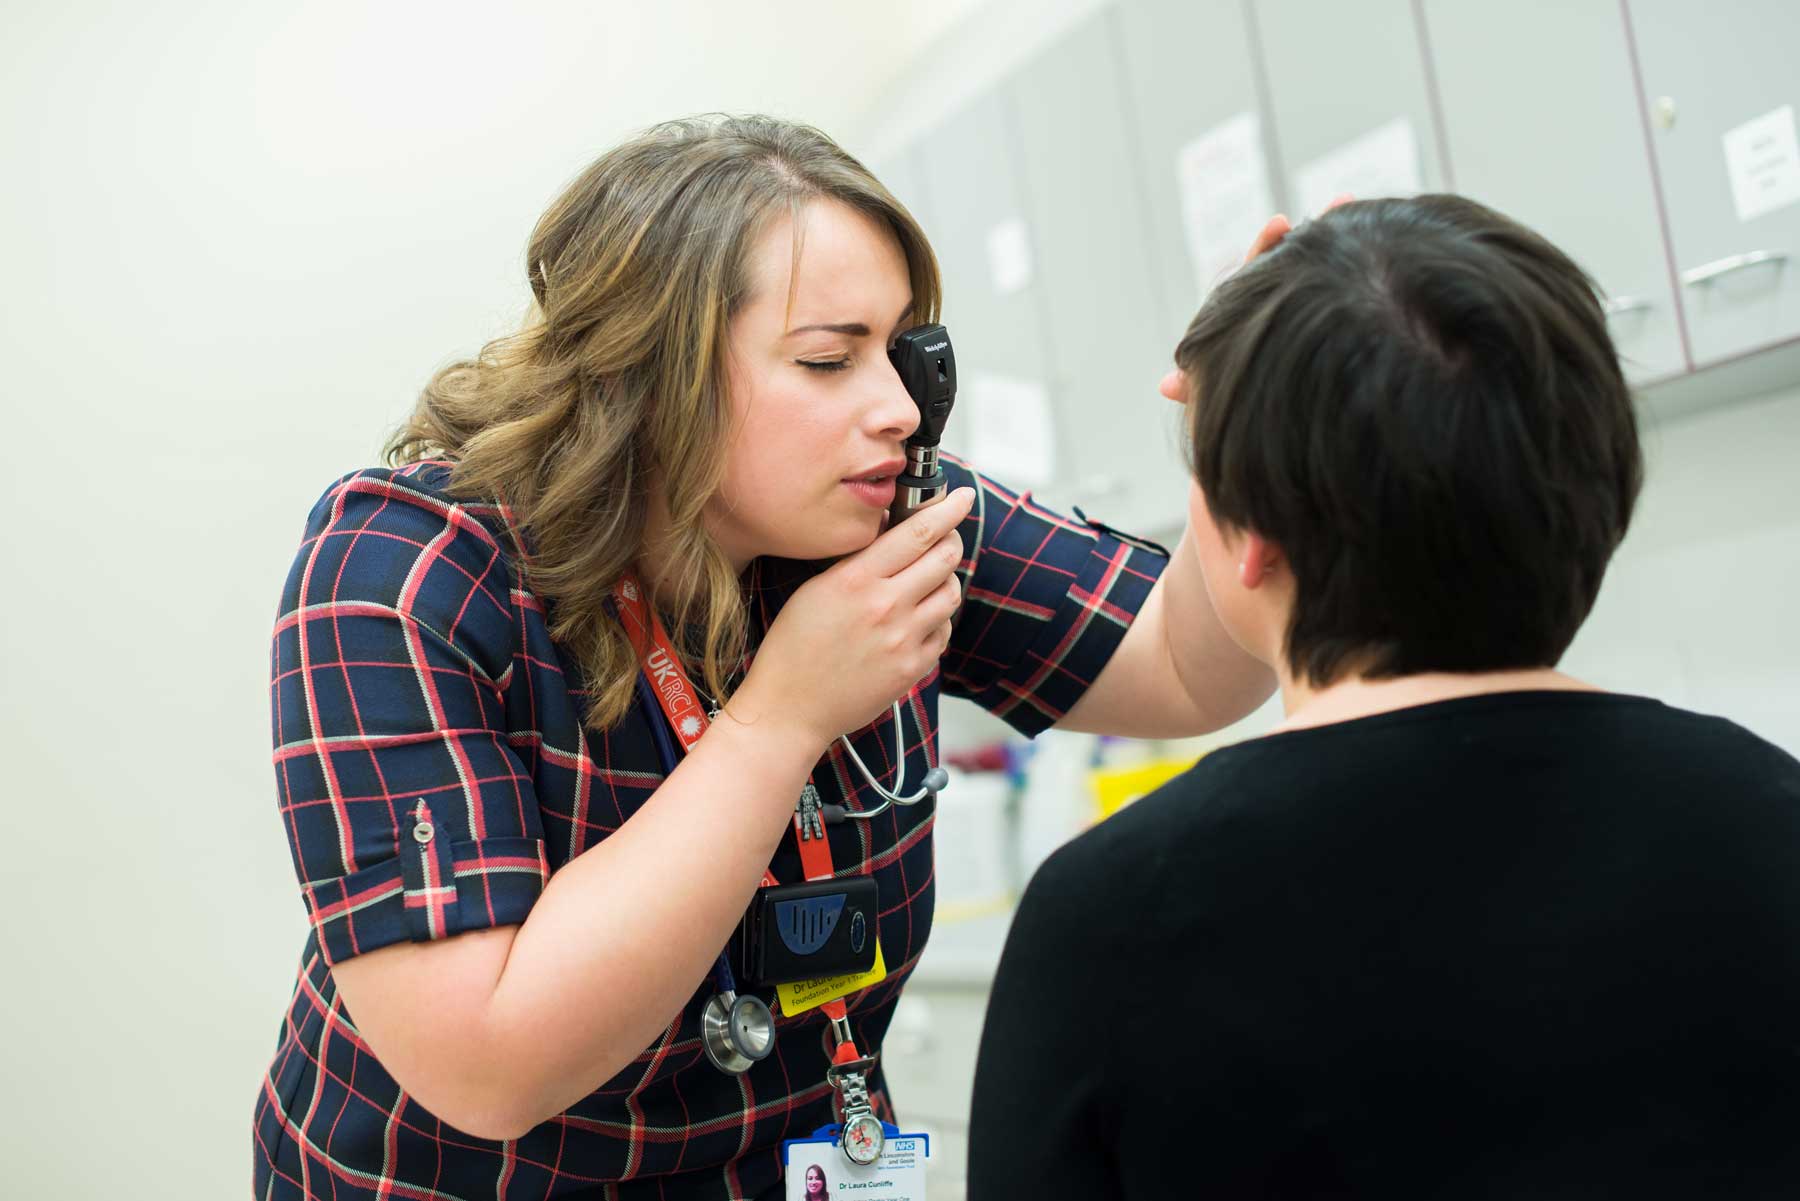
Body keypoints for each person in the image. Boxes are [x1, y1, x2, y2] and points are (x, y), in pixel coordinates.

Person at [251, 114, 1273, 1200]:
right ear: (647, 374)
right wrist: (782, 717)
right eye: (829, 359)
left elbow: (1190, 664)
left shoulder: (890, 508)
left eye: (897, 352)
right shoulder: (403, 574)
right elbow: (488, 1065)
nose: (894, 406)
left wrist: (1249, 436)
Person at [968, 195, 1800, 1198]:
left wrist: (1256, 418)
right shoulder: (1766, 813)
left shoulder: (1111, 915)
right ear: (1601, 480)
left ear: (1246, 531)